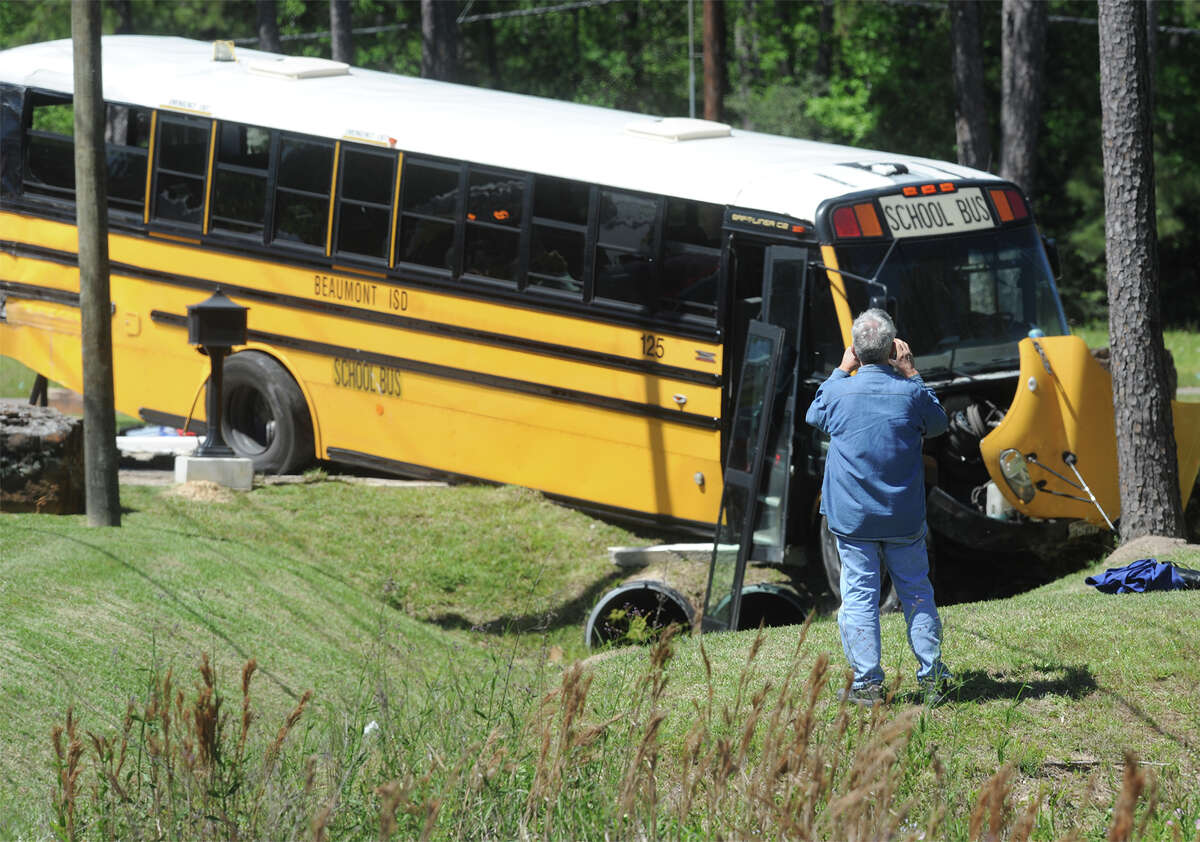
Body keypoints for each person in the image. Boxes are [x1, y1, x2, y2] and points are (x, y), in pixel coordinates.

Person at [804, 308, 951, 706]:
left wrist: (840, 368)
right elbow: (938, 423)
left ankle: (868, 684)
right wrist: (912, 373)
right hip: (903, 516)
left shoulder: (837, 391)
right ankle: (934, 677)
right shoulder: (911, 392)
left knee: (859, 597)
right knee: (917, 593)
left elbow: (813, 415)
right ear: (893, 349)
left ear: (854, 348)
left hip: (852, 518)